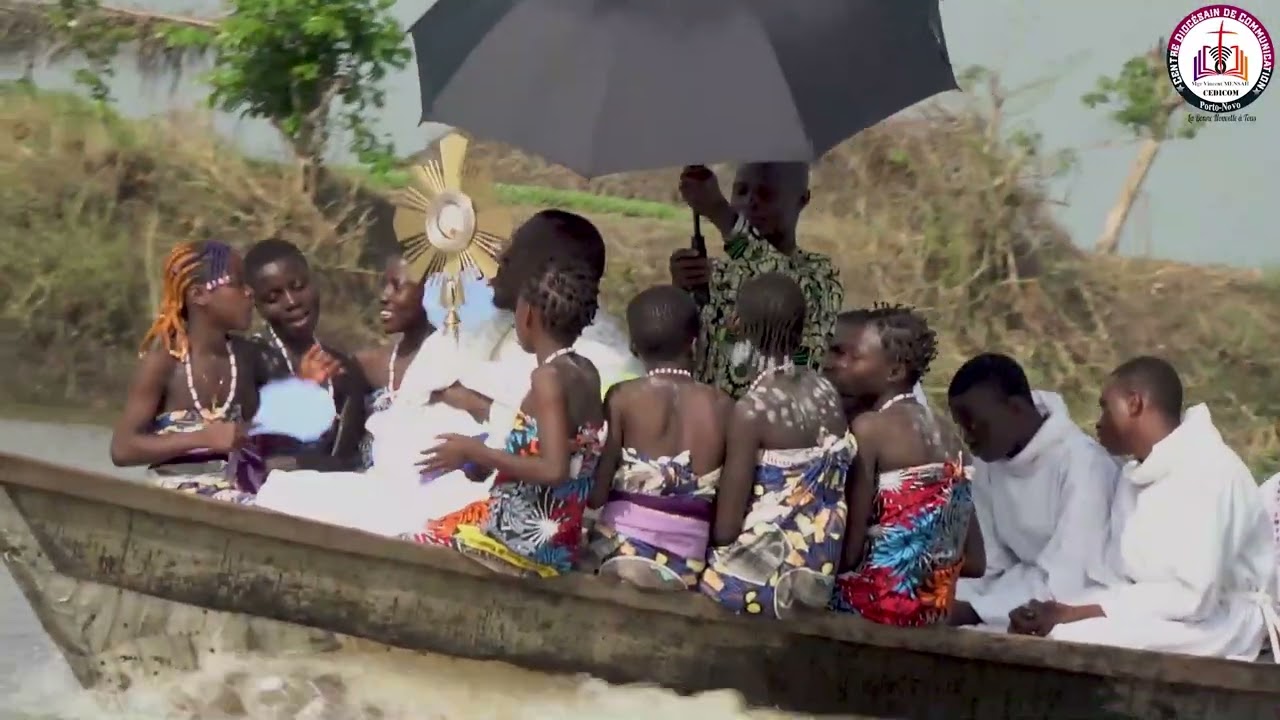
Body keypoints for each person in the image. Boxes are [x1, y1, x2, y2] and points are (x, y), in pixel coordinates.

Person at [1009, 357, 1278, 660]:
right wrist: (1062, 608)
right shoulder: (1136, 474)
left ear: (1134, 404)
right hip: (1161, 614)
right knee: (1040, 624)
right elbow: (1116, 577)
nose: (1098, 422)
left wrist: (1077, 614)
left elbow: (1192, 598)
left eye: (1105, 407)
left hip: (1224, 620)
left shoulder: (1209, 470)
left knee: (1069, 637)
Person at [253, 256, 491, 535]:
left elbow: (504, 427)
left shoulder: (462, 360)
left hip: (435, 487)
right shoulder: (366, 365)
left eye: (397, 286)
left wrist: (461, 401)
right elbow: (339, 441)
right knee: (286, 488)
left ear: (433, 292)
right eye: (383, 285)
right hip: (373, 480)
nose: (383, 296)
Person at [415, 255, 608, 577]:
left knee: (415, 540)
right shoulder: (587, 373)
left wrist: (473, 450)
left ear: (528, 313)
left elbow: (554, 468)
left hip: (522, 541)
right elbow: (560, 451)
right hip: (560, 538)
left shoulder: (547, 378)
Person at [698, 273, 854, 618]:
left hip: (762, 583)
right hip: (818, 573)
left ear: (739, 325)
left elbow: (726, 530)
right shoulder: (827, 392)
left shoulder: (752, 410)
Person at [823, 306, 980, 626]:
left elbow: (849, 555)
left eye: (854, 357)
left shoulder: (871, 428)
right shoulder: (953, 441)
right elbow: (976, 561)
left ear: (894, 372)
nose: (837, 364)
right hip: (933, 613)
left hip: (875, 608)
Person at [946, 353, 1120, 630]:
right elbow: (989, 563)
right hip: (1011, 588)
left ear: (1015, 409)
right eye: (961, 425)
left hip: (1071, 602)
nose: (967, 436)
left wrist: (975, 611)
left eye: (975, 423)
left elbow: (1070, 580)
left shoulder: (1083, 464)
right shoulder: (988, 460)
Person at [585, 285, 734, 590]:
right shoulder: (723, 405)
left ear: (633, 347)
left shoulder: (622, 396)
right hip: (685, 565)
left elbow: (598, 491)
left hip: (617, 554)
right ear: (696, 342)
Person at [669, 163, 842, 399]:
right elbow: (681, 352)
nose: (750, 202)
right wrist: (682, 291)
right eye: (741, 191)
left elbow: (778, 283)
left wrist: (721, 212)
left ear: (802, 200)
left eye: (766, 194)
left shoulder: (819, 276)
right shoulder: (715, 273)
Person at [109, 240, 264, 503]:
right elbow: (123, 449)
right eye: (237, 284)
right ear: (198, 295)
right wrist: (203, 437)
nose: (249, 292)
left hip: (239, 499)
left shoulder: (248, 359)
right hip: (176, 500)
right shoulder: (164, 363)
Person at [243, 238, 367, 472]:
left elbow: (349, 456)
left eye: (299, 287)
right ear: (257, 305)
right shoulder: (249, 361)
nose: (291, 302)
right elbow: (246, 450)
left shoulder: (344, 368)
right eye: (273, 297)